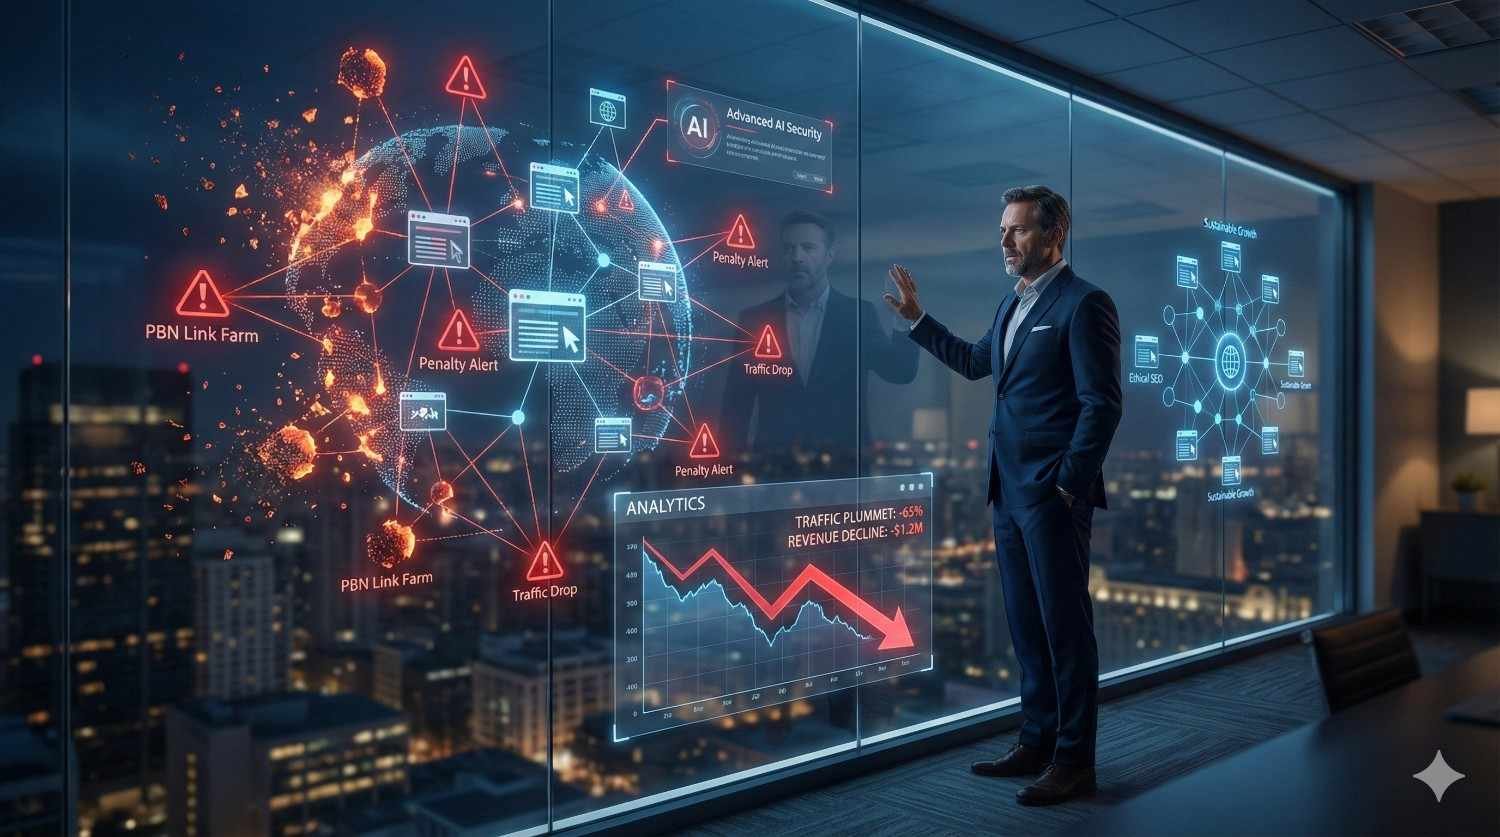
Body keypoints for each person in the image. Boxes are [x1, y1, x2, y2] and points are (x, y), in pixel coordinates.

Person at [884, 185, 1122, 806]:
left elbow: (1102, 405)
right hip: (1007, 494)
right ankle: (1037, 741)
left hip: (1051, 497)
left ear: (1054, 234)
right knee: (1025, 626)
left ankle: (1076, 760)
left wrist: (1067, 484)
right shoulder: (1011, 305)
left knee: (1066, 630)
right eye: (1003, 231)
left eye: (1017, 230)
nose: (1006, 241)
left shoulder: (1084, 304)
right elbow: (971, 362)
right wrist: (917, 320)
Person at [721, 210, 916, 454]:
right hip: (774, 471)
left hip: (843, 471)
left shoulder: (857, 315)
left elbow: (900, 371)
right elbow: (736, 406)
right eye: (788, 248)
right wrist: (730, 474)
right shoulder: (754, 320)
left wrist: (905, 321)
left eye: (808, 247)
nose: (797, 257)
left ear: (829, 255)